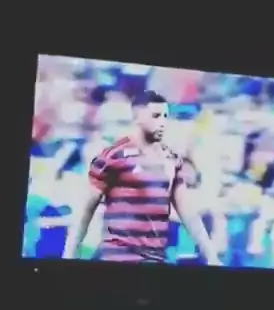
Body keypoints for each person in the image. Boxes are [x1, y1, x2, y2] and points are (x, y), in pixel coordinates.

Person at [63, 91, 221, 265]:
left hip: (154, 258)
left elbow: (189, 214)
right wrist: (69, 254)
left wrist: (211, 256)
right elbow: (86, 210)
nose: (162, 122)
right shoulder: (112, 157)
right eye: (156, 116)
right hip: (117, 257)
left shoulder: (172, 160)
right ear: (138, 117)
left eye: (165, 116)